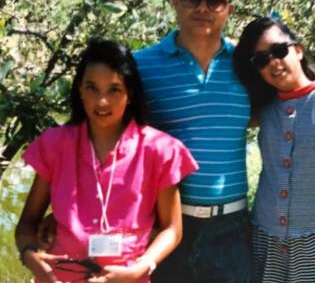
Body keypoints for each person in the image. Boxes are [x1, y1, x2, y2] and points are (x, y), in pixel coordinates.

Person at [15, 39, 198, 283]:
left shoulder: (159, 150)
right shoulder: (55, 144)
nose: (102, 102)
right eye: (92, 88)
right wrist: (31, 258)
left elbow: (172, 229)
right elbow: (27, 223)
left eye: (114, 89)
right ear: (79, 89)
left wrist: (142, 267)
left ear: (130, 93)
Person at [133, 0, 252, 283]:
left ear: (229, 9)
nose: (203, 7)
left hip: (232, 228)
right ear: (175, 1)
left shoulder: (249, 64)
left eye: (215, 0)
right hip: (161, 226)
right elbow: (106, 137)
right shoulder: (139, 66)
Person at [233, 17, 315, 283]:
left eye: (279, 51)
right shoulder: (262, 111)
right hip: (264, 244)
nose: (273, 63)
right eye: (261, 60)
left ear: (298, 50)